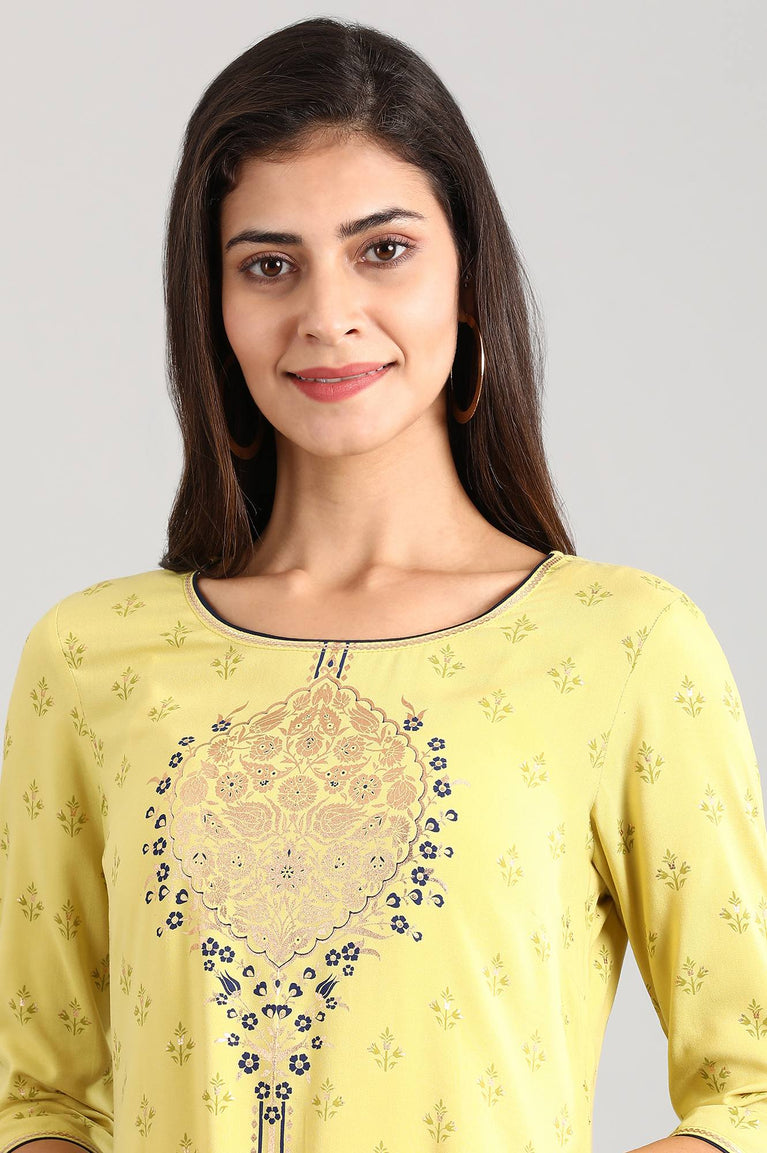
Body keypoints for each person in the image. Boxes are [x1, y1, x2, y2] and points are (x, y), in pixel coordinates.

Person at [0, 16, 763, 1153]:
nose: (326, 315)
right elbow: (41, 1095)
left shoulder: (622, 644)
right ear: (212, 307)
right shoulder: (88, 656)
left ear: (466, 278)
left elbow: (751, 1087)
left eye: (383, 249)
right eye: (269, 265)